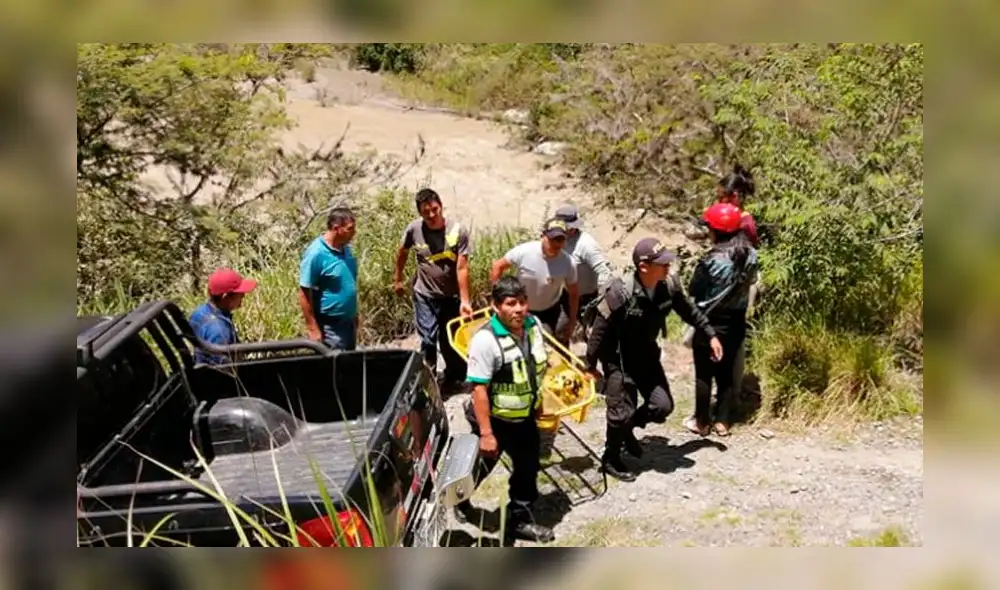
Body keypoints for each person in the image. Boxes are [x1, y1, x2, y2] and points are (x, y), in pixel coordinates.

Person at [585, 237, 723, 481]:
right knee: (620, 411)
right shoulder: (620, 291)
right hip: (618, 358)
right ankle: (611, 457)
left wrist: (710, 334)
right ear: (644, 266)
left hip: (646, 355)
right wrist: (590, 365)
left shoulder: (667, 286)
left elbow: (689, 311)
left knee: (662, 407)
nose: (668, 266)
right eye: (662, 263)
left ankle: (627, 431)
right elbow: (599, 331)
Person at [454, 276, 555, 545]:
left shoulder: (533, 327)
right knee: (482, 465)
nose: (519, 309)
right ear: (496, 306)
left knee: (527, 467)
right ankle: (459, 498)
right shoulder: (485, 341)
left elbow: (534, 367)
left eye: (523, 302)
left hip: (524, 417)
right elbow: (478, 389)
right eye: (511, 303)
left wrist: (538, 402)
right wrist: (487, 434)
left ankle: (519, 521)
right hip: (496, 420)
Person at [684, 203, 759, 438]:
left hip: (709, 322)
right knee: (726, 373)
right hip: (736, 321)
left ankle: (701, 421)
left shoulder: (710, 261)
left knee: (704, 373)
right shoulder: (751, 255)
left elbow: (694, 289)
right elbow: (753, 281)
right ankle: (723, 422)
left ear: (715, 230)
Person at [393, 188, 473, 393]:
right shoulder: (414, 229)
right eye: (425, 211)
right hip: (424, 294)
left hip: (451, 297)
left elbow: (462, 268)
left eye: (434, 209)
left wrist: (465, 301)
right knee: (428, 338)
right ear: (420, 212)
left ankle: (453, 378)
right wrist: (398, 279)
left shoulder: (458, 231)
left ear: (441, 206)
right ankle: (429, 381)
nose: (431, 215)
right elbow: (402, 252)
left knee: (450, 340)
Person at [489, 218, 579, 344]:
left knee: (558, 344)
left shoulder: (568, 263)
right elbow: (497, 267)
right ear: (543, 236)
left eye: (560, 240)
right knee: (531, 344)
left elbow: (574, 294)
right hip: (524, 310)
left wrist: (572, 321)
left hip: (552, 309)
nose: (556, 244)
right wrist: (496, 298)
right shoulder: (524, 252)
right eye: (552, 239)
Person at [550, 204, 614, 343]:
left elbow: (604, 272)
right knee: (560, 331)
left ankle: (595, 362)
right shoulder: (559, 239)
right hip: (568, 295)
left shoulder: (587, 245)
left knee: (594, 337)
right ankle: (566, 362)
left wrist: (599, 300)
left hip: (589, 299)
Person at [298, 207, 359, 351]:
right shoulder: (316, 253)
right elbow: (304, 292)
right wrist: (313, 328)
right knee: (336, 367)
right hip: (330, 325)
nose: (354, 233)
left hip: (348, 322)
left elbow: (349, 283)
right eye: (350, 229)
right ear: (337, 228)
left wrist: (355, 313)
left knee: (349, 364)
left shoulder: (346, 250)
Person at [189, 267, 258, 365]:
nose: (243, 296)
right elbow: (224, 371)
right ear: (225, 297)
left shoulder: (199, 313)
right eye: (240, 293)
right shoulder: (219, 331)